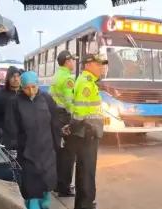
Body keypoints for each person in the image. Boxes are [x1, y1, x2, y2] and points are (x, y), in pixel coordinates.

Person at [4, 71, 60, 209]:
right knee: (31, 188)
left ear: (38, 85)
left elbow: (55, 121)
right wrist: (13, 146)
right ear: (22, 87)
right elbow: (11, 126)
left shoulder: (46, 99)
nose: (30, 91)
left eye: (33, 87)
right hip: (27, 151)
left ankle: (45, 206)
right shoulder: (15, 102)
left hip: (47, 149)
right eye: (27, 88)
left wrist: (58, 141)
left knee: (47, 183)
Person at [63, 54, 108, 209]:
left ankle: (85, 203)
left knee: (85, 169)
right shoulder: (86, 83)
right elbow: (81, 112)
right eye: (98, 64)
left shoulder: (88, 81)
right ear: (88, 66)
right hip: (87, 132)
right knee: (87, 171)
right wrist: (80, 127)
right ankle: (86, 204)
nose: (101, 67)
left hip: (86, 131)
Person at [50, 50, 79, 197]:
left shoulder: (55, 76)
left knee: (59, 152)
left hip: (56, 116)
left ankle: (56, 184)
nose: (73, 63)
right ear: (67, 62)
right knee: (69, 153)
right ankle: (65, 188)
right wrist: (75, 118)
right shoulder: (68, 78)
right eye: (72, 60)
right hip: (65, 116)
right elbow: (69, 102)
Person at [0, 66, 21, 145]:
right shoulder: (0, 95)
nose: (16, 79)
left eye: (18, 76)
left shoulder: (23, 94)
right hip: (6, 138)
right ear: (8, 78)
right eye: (13, 76)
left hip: (22, 138)